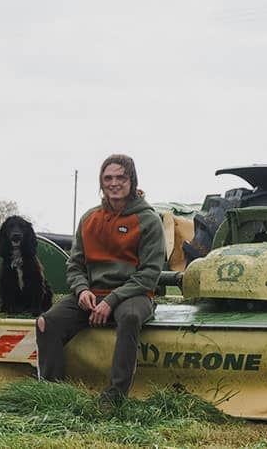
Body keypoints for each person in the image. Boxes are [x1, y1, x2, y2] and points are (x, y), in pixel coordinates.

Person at [35, 154, 166, 404]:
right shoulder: (89, 219)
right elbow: (75, 264)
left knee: (128, 317)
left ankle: (115, 396)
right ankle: (54, 393)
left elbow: (149, 274)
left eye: (121, 177)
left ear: (132, 180)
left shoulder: (149, 220)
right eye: (108, 178)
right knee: (46, 323)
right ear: (100, 182)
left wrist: (112, 301)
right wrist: (82, 290)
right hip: (93, 294)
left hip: (134, 294)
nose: (114, 183)